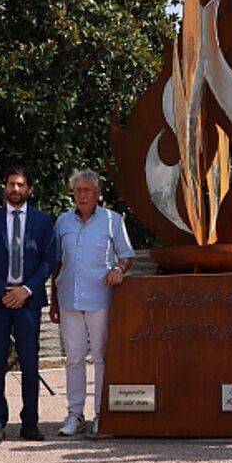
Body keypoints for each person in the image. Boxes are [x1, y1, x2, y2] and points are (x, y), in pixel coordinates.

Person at [0, 165, 56, 445]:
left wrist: (25, 290)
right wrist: (3, 291)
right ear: (5, 187)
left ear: (29, 189)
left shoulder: (43, 221)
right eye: (11, 184)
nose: (15, 189)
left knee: (30, 364)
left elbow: (48, 260)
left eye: (20, 184)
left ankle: (30, 422)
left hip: (28, 301)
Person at [50, 169, 133, 438]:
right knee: (74, 358)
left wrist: (118, 269)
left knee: (101, 357)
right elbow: (57, 263)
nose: (81, 195)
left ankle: (101, 414)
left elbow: (126, 255)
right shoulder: (63, 222)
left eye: (86, 190)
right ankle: (75, 414)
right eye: (77, 190)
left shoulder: (112, 220)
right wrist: (53, 301)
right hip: (69, 298)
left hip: (100, 298)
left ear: (97, 192)